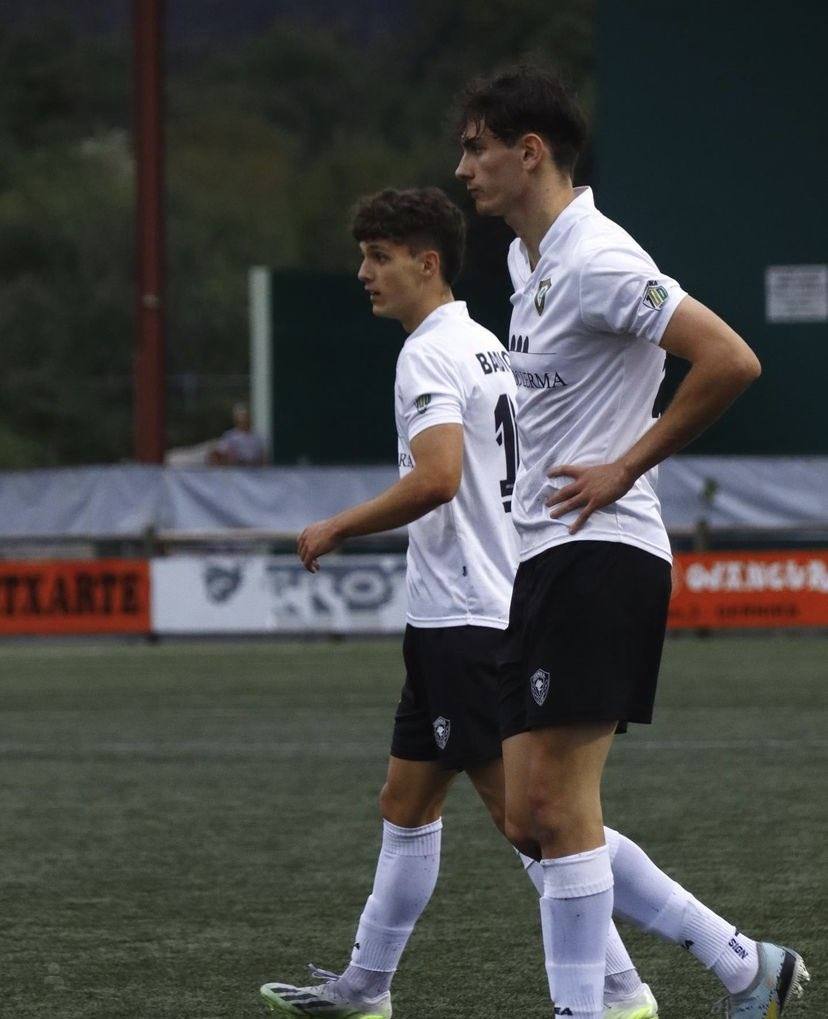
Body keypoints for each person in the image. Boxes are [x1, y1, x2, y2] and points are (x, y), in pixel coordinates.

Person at [454, 66, 809, 1019]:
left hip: (602, 549)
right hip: (547, 556)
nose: (464, 168)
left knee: (559, 813)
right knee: (532, 816)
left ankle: (591, 1011)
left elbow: (731, 357)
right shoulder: (532, 266)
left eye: (477, 147)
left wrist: (626, 463)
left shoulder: (597, 259)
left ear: (529, 152)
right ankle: (745, 966)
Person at [259, 187, 658, 1019]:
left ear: (426, 262)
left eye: (379, 256)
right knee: (405, 804)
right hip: (461, 605)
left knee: (531, 822)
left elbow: (438, 477)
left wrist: (338, 525)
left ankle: (629, 988)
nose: (363, 273)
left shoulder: (428, 352)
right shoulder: (485, 342)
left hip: (467, 615)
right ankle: (365, 986)